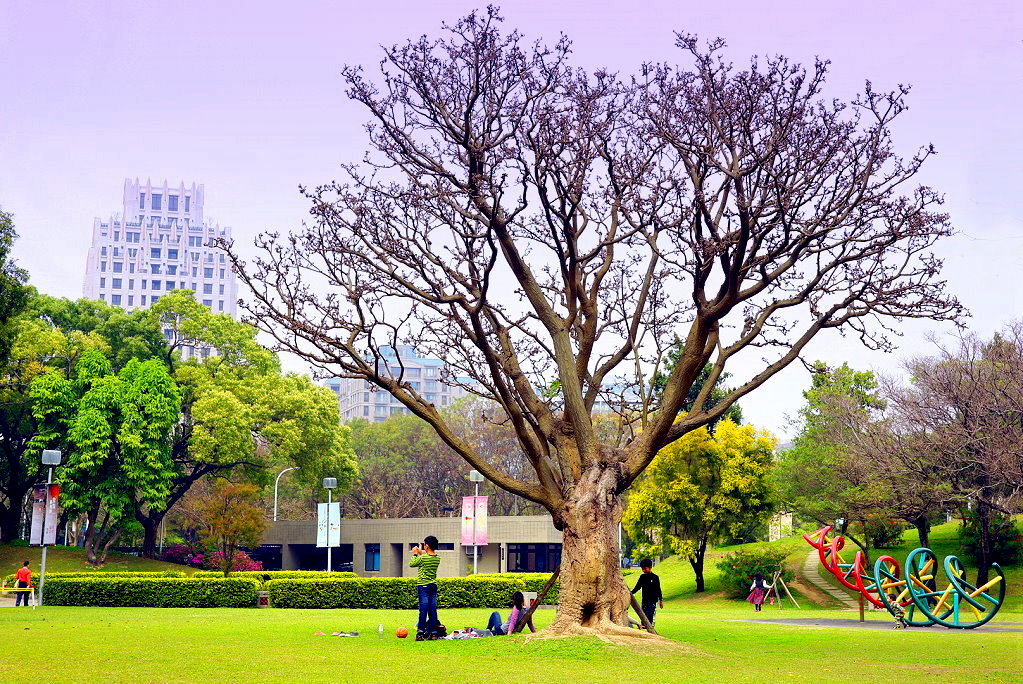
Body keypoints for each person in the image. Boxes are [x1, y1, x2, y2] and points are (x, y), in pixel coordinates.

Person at [409, 535, 441, 641]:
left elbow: (412, 564)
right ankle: (433, 633)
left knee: (423, 609)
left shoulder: (423, 558)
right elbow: (427, 558)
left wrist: (415, 553)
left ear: (426, 545)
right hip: (433, 586)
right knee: (432, 609)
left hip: (423, 586)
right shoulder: (437, 558)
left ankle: (420, 633)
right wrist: (421, 553)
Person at [631, 558, 663, 625]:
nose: (643, 570)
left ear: (650, 567)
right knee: (644, 616)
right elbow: (637, 587)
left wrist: (661, 600)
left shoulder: (655, 577)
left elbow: (658, 589)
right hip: (645, 600)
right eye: (642, 569)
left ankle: (651, 628)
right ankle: (644, 627)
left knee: (650, 615)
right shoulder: (642, 577)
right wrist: (631, 593)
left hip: (652, 601)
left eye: (645, 568)